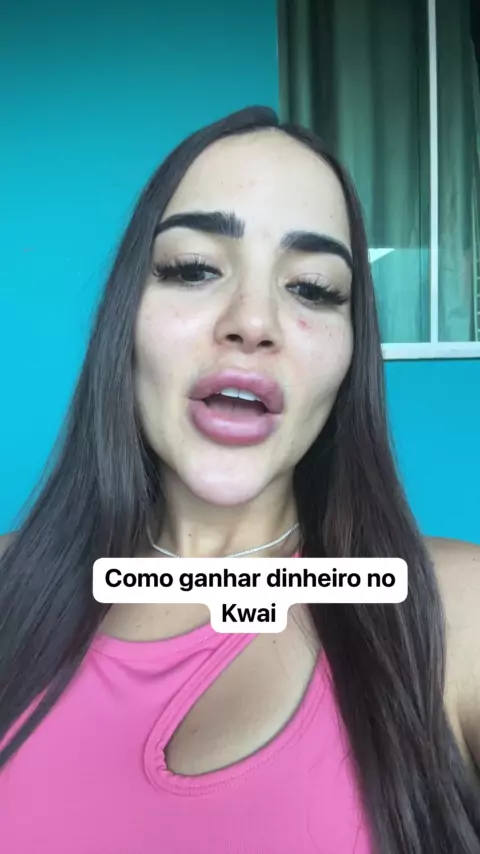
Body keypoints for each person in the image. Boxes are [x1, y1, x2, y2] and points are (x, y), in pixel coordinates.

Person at [0, 106, 479, 854]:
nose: (253, 321)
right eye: (193, 269)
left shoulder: (457, 616)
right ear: (125, 320)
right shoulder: (9, 584)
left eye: (313, 287)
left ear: (350, 355)